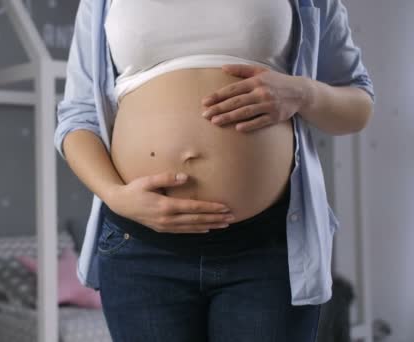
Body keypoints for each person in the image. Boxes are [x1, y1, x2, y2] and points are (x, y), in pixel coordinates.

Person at [54, 0, 375, 341]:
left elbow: (358, 105)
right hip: (141, 248)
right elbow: (78, 116)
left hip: (267, 248)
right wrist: (115, 196)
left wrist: (304, 93)